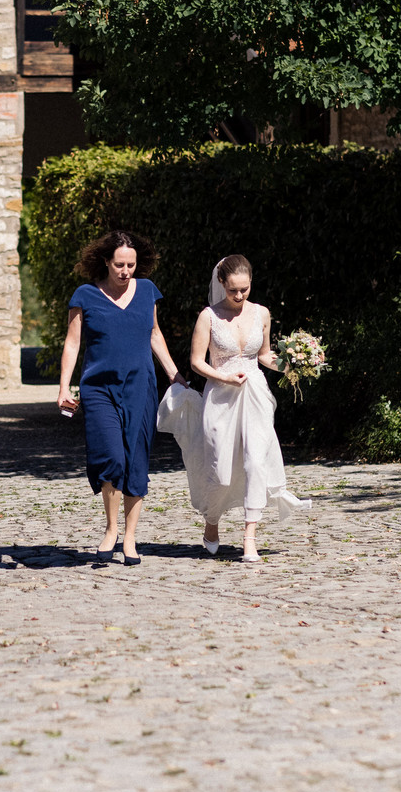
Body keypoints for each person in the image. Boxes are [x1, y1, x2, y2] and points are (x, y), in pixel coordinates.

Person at [157, 254, 310, 563]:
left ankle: (249, 538)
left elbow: (265, 356)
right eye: (233, 291)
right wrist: (223, 375)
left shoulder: (262, 313)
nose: (239, 296)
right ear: (222, 284)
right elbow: (197, 362)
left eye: (245, 289)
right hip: (220, 398)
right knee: (221, 471)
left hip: (255, 395)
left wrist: (294, 364)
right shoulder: (208, 317)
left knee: (256, 462)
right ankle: (211, 523)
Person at [57, 231, 186, 566]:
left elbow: (154, 334)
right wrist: (63, 388)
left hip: (140, 387)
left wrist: (173, 373)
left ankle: (129, 537)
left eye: (131, 264)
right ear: (105, 262)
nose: (126, 270)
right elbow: (73, 343)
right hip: (98, 388)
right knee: (110, 457)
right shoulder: (85, 295)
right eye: (119, 264)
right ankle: (111, 528)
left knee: (136, 462)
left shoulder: (147, 291)